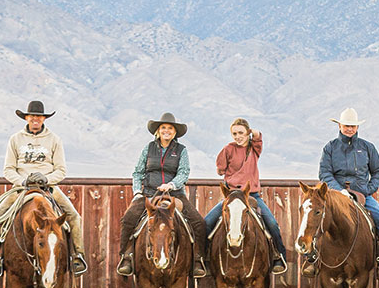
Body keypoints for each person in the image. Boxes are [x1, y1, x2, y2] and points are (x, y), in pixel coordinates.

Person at [0, 100, 89, 277]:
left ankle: (77, 256)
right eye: (32, 116)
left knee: (73, 216)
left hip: (48, 188)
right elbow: (8, 169)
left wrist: (46, 179)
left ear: (44, 119)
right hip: (21, 189)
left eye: (39, 117)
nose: (35, 119)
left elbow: (61, 170)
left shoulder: (54, 140)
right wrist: (22, 181)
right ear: (26, 117)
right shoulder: (15, 139)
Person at [116, 113, 209, 278]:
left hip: (175, 195)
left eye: (170, 128)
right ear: (158, 131)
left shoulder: (181, 150)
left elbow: (184, 172)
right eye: (163, 128)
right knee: (129, 218)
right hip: (149, 193)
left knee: (199, 223)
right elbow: (138, 172)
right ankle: (126, 256)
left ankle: (197, 260)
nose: (166, 131)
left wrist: (171, 185)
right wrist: (137, 192)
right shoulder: (148, 148)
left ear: (175, 132)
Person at [203, 118, 288, 275]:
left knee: (272, 224)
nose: (237, 136)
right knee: (207, 222)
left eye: (241, 133)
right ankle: (204, 258)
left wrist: (251, 134)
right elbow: (220, 170)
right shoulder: (228, 149)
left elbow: (257, 135)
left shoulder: (254, 148)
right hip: (231, 195)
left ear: (247, 133)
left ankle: (279, 256)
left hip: (251, 195)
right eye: (234, 133)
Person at [314, 108, 379, 279]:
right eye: (347, 125)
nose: (350, 129)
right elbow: (324, 173)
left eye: (353, 126)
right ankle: (312, 258)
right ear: (339, 125)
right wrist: (338, 190)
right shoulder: (330, 148)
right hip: (335, 195)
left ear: (357, 127)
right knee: (316, 217)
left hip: (362, 195)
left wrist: (369, 189)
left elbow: (378, 170)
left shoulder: (367, 147)